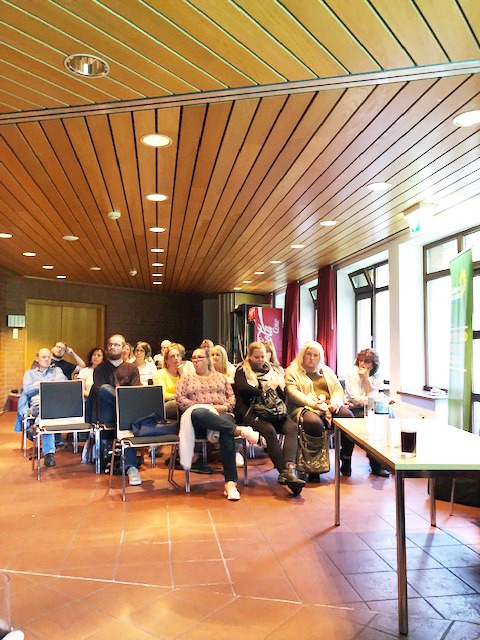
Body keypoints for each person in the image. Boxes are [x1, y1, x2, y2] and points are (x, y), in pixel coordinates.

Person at [176, 347, 248, 500]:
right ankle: (240, 430)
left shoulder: (220, 378)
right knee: (198, 413)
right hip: (199, 421)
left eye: (200, 357)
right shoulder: (186, 378)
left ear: (208, 359)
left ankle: (230, 483)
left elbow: (231, 399)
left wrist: (223, 407)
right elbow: (180, 400)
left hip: (222, 416)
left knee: (226, 431)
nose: (196, 360)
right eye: (194, 358)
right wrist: (207, 407)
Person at [235, 342, 305, 496]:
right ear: (249, 356)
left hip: (272, 410)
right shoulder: (241, 370)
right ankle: (287, 476)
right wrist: (263, 391)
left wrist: (275, 391)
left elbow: (282, 395)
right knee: (269, 431)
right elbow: (243, 388)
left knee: (292, 427)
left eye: (262, 356)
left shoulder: (272, 370)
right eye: (257, 357)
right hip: (252, 411)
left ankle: (289, 469)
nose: (261, 360)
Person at [285, 341, 353, 482]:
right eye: (308, 354)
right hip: (302, 407)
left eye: (315, 355)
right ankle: (313, 468)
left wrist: (335, 403)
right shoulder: (292, 370)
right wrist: (314, 405)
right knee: (314, 423)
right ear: (302, 355)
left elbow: (337, 389)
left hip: (327, 406)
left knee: (348, 417)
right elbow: (292, 393)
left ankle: (346, 457)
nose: (312, 358)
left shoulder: (326, 370)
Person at [89, 334, 142, 485]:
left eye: (116, 345)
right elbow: (100, 391)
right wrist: (122, 400)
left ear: (124, 348)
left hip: (125, 413)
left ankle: (131, 467)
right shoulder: (100, 369)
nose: (112, 347)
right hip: (107, 412)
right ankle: (131, 467)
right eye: (110, 344)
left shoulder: (132, 369)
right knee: (105, 389)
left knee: (125, 420)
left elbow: (135, 392)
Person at [344, 348, 389, 477]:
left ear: (374, 364)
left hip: (371, 408)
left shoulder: (377, 375)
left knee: (384, 419)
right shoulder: (353, 374)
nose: (362, 364)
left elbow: (374, 396)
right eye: (361, 361)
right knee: (354, 423)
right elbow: (355, 398)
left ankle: (377, 463)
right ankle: (346, 460)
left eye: (367, 361)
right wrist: (368, 399)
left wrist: (366, 379)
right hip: (353, 409)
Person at [22, 348, 67, 467]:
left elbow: (63, 383)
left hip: (54, 403)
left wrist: (39, 384)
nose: (47, 359)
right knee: (47, 413)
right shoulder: (29, 373)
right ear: (37, 359)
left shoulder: (57, 370)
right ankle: (49, 454)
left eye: (49, 357)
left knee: (46, 417)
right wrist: (48, 384)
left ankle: (36, 426)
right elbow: (27, 390)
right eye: (44, 357)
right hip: (37, 403)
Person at [152, 342, 183, 419]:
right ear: (166, 360)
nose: (176, 358)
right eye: (172, 356)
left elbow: (188, 391)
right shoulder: (160, 374)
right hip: (167, 404)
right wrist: (179, 398)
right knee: (178, 404)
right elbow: (162, 394)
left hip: (181, 402)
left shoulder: (182, 374)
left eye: (178, 355)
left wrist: (182, 374)